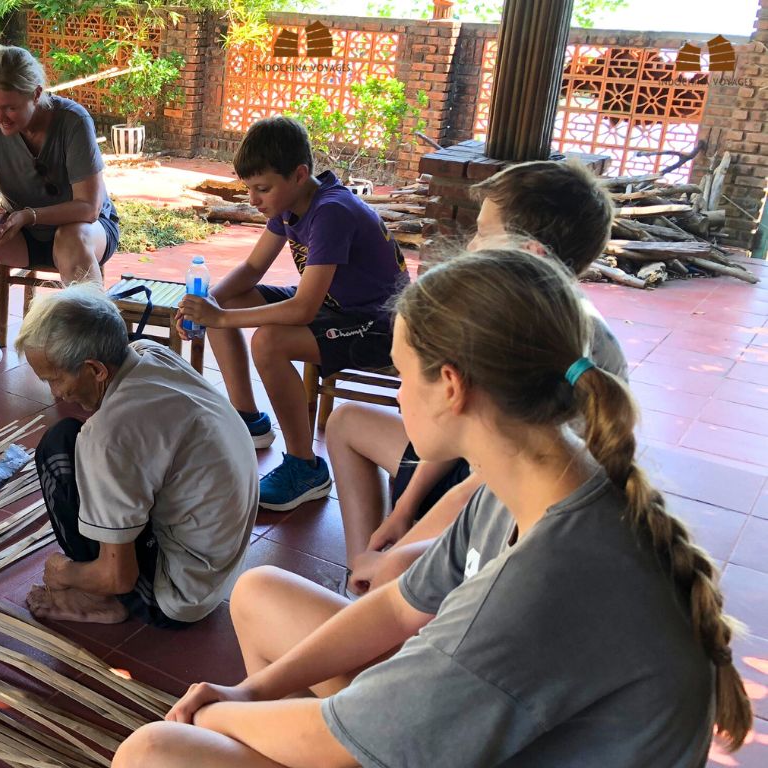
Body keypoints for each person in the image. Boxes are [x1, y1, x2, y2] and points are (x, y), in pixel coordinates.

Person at [112, 249, 753, 767]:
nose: (398, 395)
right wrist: (249, 692)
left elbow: (340, 738)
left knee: (156, 752)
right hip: (511, 728)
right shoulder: (535, 484)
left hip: (482, 730)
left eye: (400, 373)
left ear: (451, 386)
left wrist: (216, 714)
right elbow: (397, 604)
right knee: (261, 595)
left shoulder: (539, 585)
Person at [331, 159, 627, 593]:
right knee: (345, 422)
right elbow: (457, 420)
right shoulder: (508, 314)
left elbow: (486, 486)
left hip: (503, 505)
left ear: (529, 255)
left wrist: (401, 552)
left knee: (378, 576)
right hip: (471, 468)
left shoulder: (548, 341)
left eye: (484, 233)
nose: (470, 246)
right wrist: (401, 513)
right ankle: (362, 577)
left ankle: (376, 590)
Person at [177, 116, 408, 512]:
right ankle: (249, 419)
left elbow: (304, 307)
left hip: (380, 326)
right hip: (335, 308)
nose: (253, 199)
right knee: (230, 300)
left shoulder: (332, 212)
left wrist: (218, 319)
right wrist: (203, 306)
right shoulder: (291, 205)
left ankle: (306, 467)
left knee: (268, 342)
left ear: (299, 175)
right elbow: (252, 270)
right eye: (249, 188)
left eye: (262, 189)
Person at [17, 285, 258, 627]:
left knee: (58, 447)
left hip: (177, 596)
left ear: (96, 369)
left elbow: (118, 577)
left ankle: (96, 601)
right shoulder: (150, 354)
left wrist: (65, 573)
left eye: (55, 379)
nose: (56, 393)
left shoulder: (108, 435)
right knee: (80, 443)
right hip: (220, 565)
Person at [0, 46, 122, 379]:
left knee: (72, 235)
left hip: (87, 230)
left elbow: (88, 207)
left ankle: (93, 352)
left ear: (36, 94)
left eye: (9, 107)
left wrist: (29, 215)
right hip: (21, 230)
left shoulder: (72, 121)